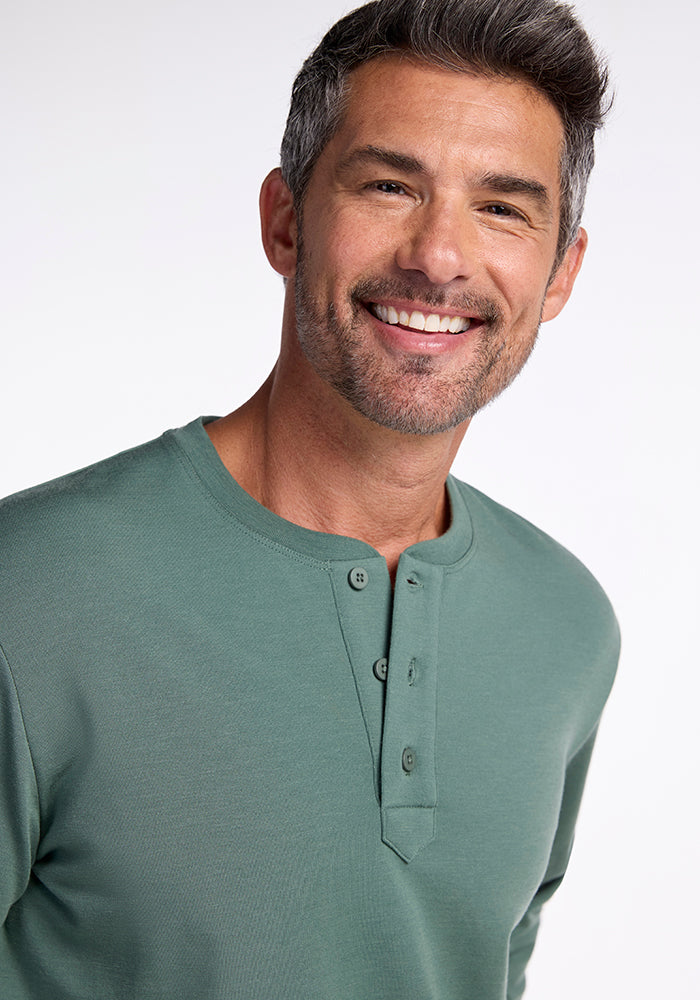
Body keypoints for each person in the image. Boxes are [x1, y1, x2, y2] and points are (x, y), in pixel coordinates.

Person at [0, 0, 620, 997]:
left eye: (502, 206)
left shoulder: (566, 626)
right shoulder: (29, 589)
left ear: (559, 272)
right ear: (284, 220)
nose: (439, 254)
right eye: (387, 184)